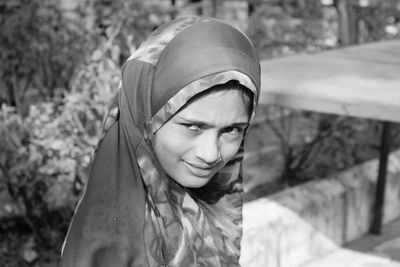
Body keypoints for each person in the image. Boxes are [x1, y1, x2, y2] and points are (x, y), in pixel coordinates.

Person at [60, 16, 261, 267]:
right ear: (145, 117)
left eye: (232, 129)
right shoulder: (112, 244)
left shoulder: (207, 197)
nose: (211, 154)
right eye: (193, 126)